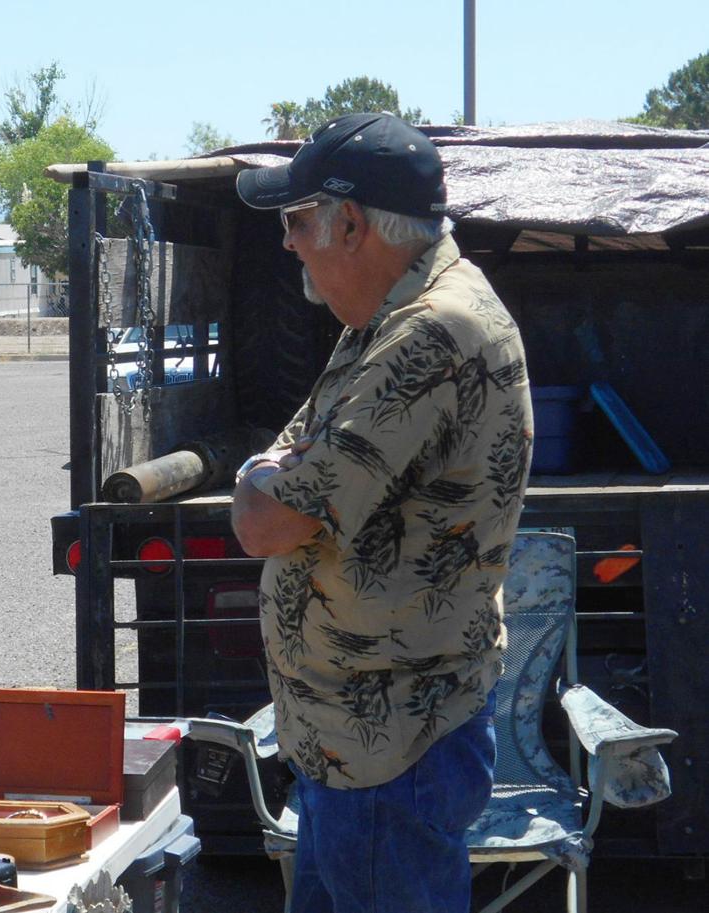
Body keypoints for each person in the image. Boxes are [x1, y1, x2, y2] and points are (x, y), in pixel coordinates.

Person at [232, 113, 533, 913]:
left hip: (390, 759)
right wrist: (270, 473)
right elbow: (290, 461)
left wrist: (257, 474)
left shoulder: (430, 333)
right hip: (354, 750)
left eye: (298, 222)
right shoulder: (386, 320)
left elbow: (267, 521)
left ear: (353, 225)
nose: (289, 243)